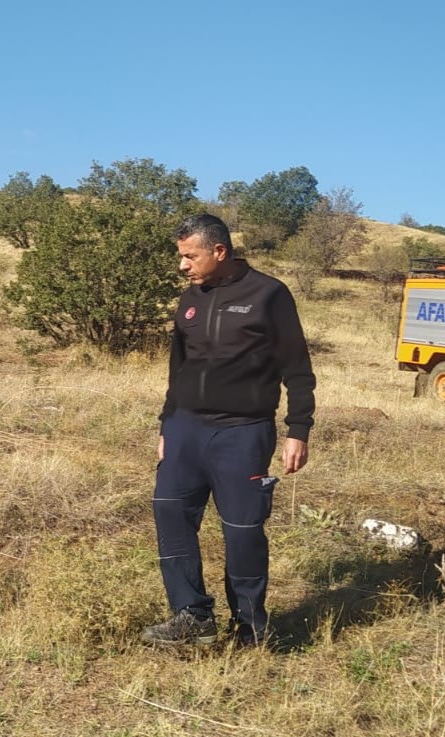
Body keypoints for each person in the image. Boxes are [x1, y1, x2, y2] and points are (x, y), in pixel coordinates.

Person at [142, 213, 316, 648]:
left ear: (219, 251)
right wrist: (167, 423)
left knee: (241, 529)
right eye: (181, 256)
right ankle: (192, 616)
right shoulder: (189, 299)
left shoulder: (269, 295)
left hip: (242, 432)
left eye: (189, 256)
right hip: (185, 429)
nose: (183, 265)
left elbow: (297, 367)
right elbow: (177, 368)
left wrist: (299, 428)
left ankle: (250, 629)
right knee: (169, 511)